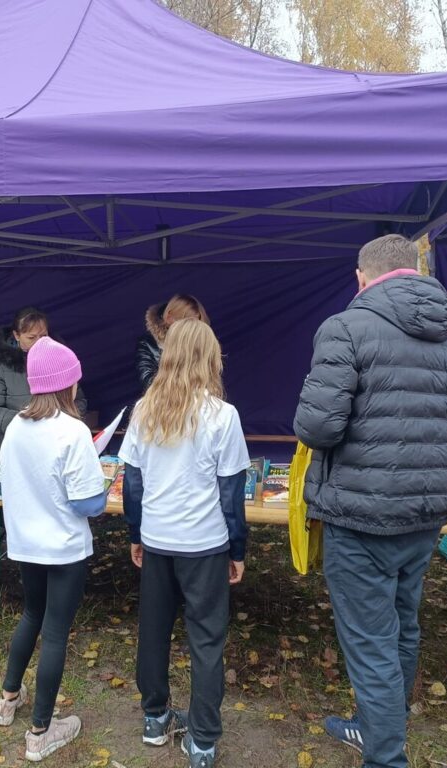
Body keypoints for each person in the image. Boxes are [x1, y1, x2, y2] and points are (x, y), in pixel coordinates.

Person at [293, 234, 447, 768]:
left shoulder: (345, 329)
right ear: (415, 272)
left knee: (372, 644)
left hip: (362, 514)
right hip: (425, 512)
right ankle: (376, 730)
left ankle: (385, 756)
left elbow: (315, 427)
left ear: (361, 276)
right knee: (401, 625)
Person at [120, 319, 250, 768]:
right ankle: (204, 741)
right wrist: (238, 550)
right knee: (207, 641)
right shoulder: (222, 416)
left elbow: (131, 485)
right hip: (205, 545)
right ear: (210, 359)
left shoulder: (143, 410)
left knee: (153, 633)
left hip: (157, 540)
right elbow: (231, 493)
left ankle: (155, 718)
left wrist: (136, 534)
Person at [0, 336, 107, 762]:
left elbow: (3, 483)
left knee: (31, 616)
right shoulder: (74, 431)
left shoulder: (17, 427)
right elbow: (88, 504)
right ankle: (41, 731)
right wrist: (101, 484)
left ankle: (7, 701)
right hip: (63, 548)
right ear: (67, 384)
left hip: (26, 545)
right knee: (55, 633)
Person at [0, 307, 87, 458]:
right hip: (12, 450)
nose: (39, 342)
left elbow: (79, 401)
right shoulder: (0, 365)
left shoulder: (58, 359)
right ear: (16, 335)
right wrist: (30, 422)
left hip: (54, 447)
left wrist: (57, 420)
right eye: (31, 337)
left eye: (43, 336)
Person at [136, 295, 210, 391]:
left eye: (197, 323)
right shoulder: (148, 344)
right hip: (162, 402)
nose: (193, 328)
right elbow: (149, 382)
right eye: (187, 322)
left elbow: (208, 380)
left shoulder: (200, 342)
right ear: (170, 318)